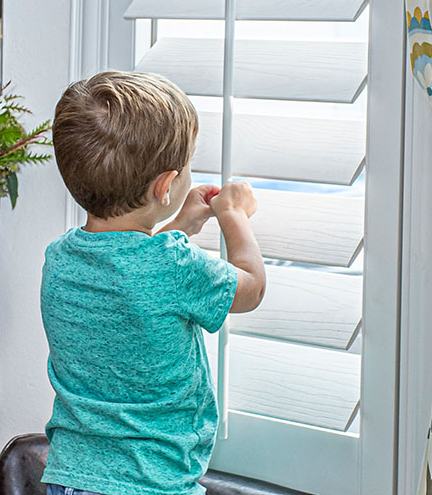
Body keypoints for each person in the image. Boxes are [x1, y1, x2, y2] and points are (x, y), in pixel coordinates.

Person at [41, 71, 266, 495]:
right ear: (165, 186)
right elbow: (251, 288)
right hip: (153, 483)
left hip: (70, 479)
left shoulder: (60, 257)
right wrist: (234, 215)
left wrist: (180, 224)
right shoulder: (174, 266)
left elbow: (132, 274)